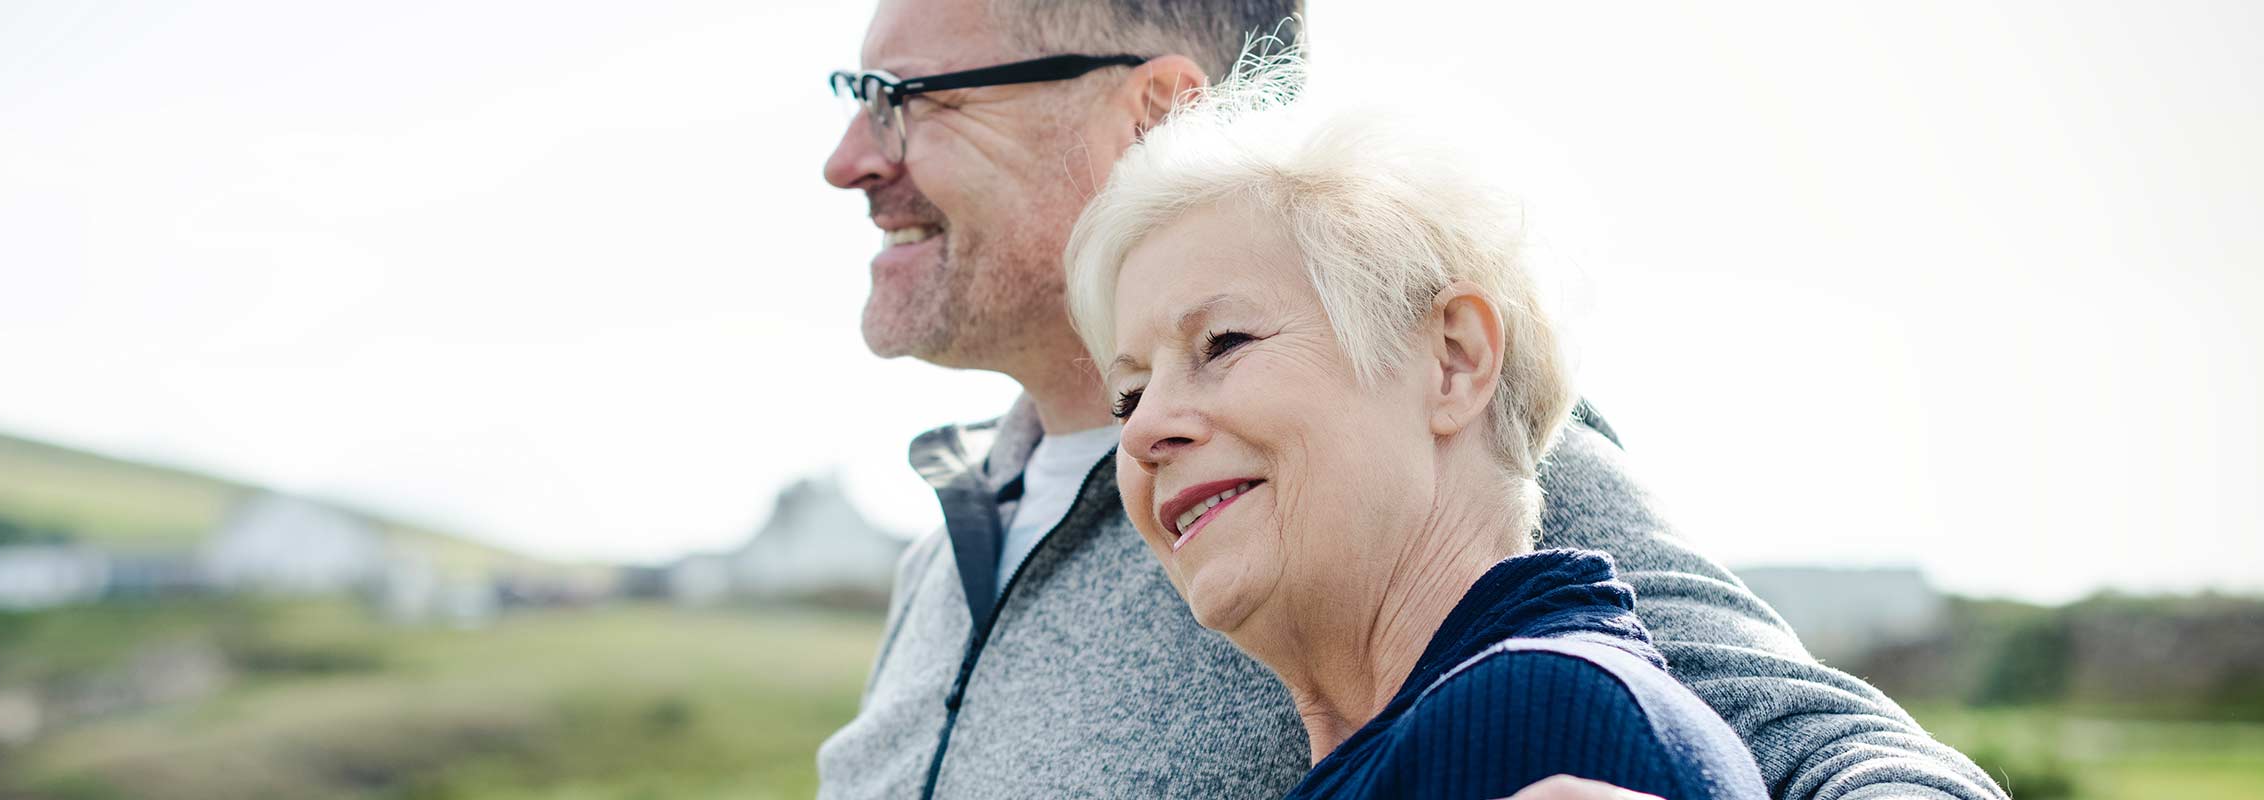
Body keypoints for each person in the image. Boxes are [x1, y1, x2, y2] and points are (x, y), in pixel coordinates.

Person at [814, 2, 2004, 798]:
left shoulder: (1432, 456)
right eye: (1134, 389)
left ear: (1160, 112)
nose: (850, 158)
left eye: (904, 96)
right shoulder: (952, 538)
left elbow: (1837, 750)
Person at [1061, 54, 1764, 799]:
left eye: (1225, 342)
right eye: (1128, 396)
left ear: (1454, 362)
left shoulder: (1536, 721)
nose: (1141, 435)